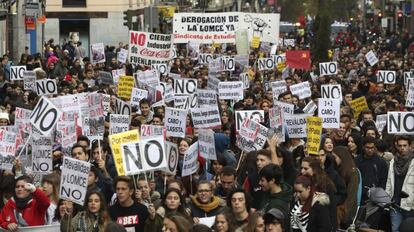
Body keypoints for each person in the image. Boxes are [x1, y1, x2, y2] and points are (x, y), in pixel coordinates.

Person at [385, 136, 414, 232]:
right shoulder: (393, 161)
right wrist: (387, 199)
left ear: (410, 146)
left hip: (410, 206)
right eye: (400, 145)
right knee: (395, 230)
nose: (402, 148)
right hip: (395, 204)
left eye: (405, 145)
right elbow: (389, 181)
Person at [258, 164, 292, 230]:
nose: (260, 183)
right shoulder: (268, 192)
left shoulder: (279, 205)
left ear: (272, 181)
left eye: (262, 180)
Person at [355, 136, 388, 204]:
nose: (370, 150)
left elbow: (383, 180)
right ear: (363, 147)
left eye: (372, 148)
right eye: (367, 147)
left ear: (375, 148)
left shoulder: (381, 162)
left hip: (376, 197)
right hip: (360, 196)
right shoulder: (356, 161)